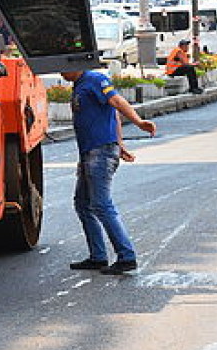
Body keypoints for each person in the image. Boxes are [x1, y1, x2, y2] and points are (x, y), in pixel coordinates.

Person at [61, 66, 158, 276]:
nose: (60, 73)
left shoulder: (95, 79)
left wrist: (139, 122)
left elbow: (117, 102)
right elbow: (112, 114)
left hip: (100, 152)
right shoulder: (79, 85)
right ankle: (98, 256)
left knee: (101, 205)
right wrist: (119, 143)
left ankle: (126, 256)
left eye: (63, 67)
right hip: (90, 153)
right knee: (82, 204)